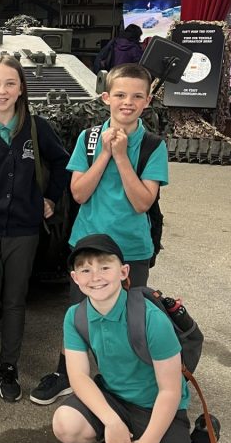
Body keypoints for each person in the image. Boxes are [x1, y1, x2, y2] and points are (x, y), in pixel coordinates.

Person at [53, 234, 219, 443]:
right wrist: (112, 421)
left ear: (124, 271)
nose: (95, 276)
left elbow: (170, 391)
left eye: (105, 267)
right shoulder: (75, 316)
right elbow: (78, 376)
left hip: (158, 407)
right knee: (65, 424)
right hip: (115, 399)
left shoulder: (151, 318)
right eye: (85, 269)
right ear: (75, 279)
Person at [30, 63, 168, 406]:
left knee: (130, 316)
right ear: (106, 98)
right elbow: (78, 193)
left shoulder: (152, 146)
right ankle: (66, 372)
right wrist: (105, 153)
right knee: (80, 312)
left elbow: (142, 202)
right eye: (120, 95)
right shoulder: (89, 139)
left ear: (147, 101)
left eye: (136, 96)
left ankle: (123, 382)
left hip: (130, 248)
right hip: (88, 243)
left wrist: (121, 157)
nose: (127, 103)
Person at [0, 54, 69, 402]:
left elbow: (63, 162)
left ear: (21, 88)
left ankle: (9, 367)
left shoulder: (36, 128)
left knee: (15, 301)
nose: (2, 91)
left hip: (24, 231)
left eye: (10, 83)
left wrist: (50, 198)